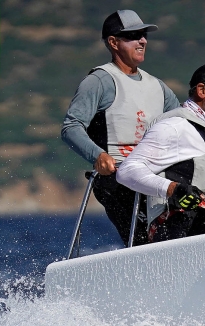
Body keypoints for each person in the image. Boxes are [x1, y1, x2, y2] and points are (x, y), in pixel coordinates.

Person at [61, 10, 180, 246]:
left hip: (156, 176)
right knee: (147, 243)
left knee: (179, 232)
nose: (143, 40)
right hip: (118, 180)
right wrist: (98, 155)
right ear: (113, 42)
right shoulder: (99, 81)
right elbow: (71, 127)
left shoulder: (158, 86)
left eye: (143, 35)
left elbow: (186, 126)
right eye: (134, 36)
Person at [116, 62, 205, 243]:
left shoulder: (204, 128)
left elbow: (192, 161)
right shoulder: (176, 126)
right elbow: (126, 171)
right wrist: (172, 189)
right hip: (175, 225)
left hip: (198, 223)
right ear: (202, 91)